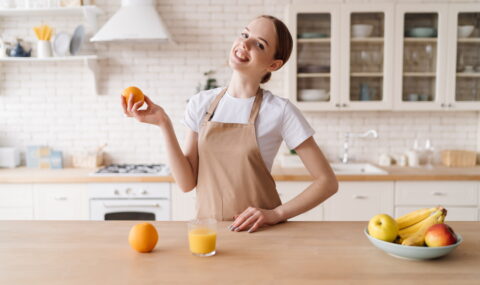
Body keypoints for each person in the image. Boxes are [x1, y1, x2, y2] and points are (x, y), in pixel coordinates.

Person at [121, 15, 338, 233]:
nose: (245, 43)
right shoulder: (201, 103)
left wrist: (275, 214)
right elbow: (186, 183)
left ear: (273, 64)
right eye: (244, 35)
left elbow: (327, 182)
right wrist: (163, 123)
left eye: (259, 44)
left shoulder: (279, 111)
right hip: (209, 232)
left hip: (261, 234)